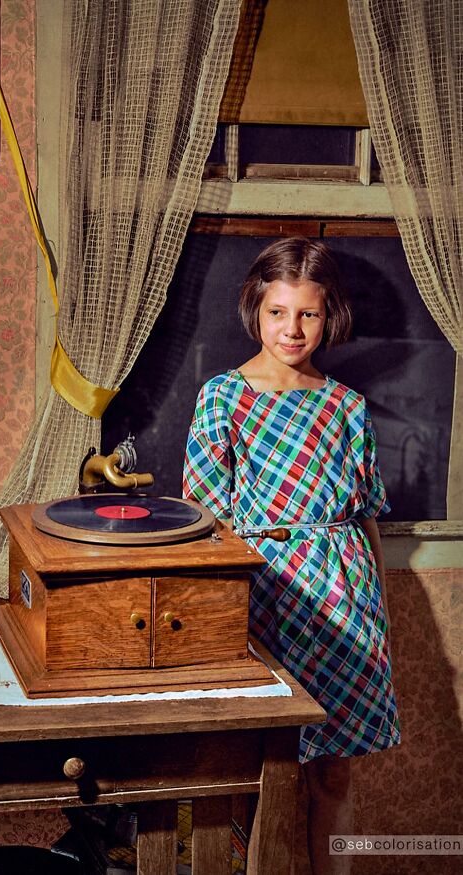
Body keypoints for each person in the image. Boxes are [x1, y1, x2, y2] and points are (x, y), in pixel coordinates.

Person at [182, 238, 400, 875]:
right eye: (278, 312)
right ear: (256, 308)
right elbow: (208, 521)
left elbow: (366, 520)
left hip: (347, 610)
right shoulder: (223, 398)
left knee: (334, 778)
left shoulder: (348, 407)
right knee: (259, 780)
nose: (292, 329)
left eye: (307, 313)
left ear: (329, 315)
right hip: (265, 600)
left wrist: (379, 612)